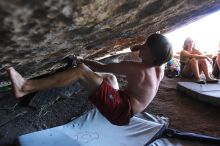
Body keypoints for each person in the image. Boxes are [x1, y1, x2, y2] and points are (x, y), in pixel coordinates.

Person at [7, 34, 173, 126]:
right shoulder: (160, 68)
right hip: (127, 110)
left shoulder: (135, 68)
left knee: (81, 71)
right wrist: (143, 46)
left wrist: (81, 59)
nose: (141, 47)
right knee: (110, 78)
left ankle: (25, 86)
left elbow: (102, 67)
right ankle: (83, 79)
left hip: (119, 111)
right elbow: (149, 52)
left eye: (145, 47)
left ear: (152, 56)